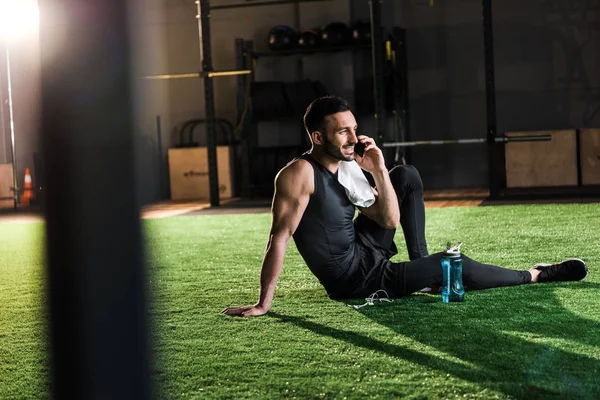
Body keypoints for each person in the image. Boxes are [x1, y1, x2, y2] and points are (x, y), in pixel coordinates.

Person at [222, 96, 589, 317]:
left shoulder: (349, 164)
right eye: (342, 132)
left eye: (354, 128)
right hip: (355, 280)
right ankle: (537, 274)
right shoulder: (298, 174)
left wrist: (379, 169)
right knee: (451, 264)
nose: (353, 138)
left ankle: (424, 270)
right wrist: (263, 303)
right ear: (318, 137)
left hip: (363, 249)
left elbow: (389, 218)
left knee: (406, 174)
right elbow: (279, 238)